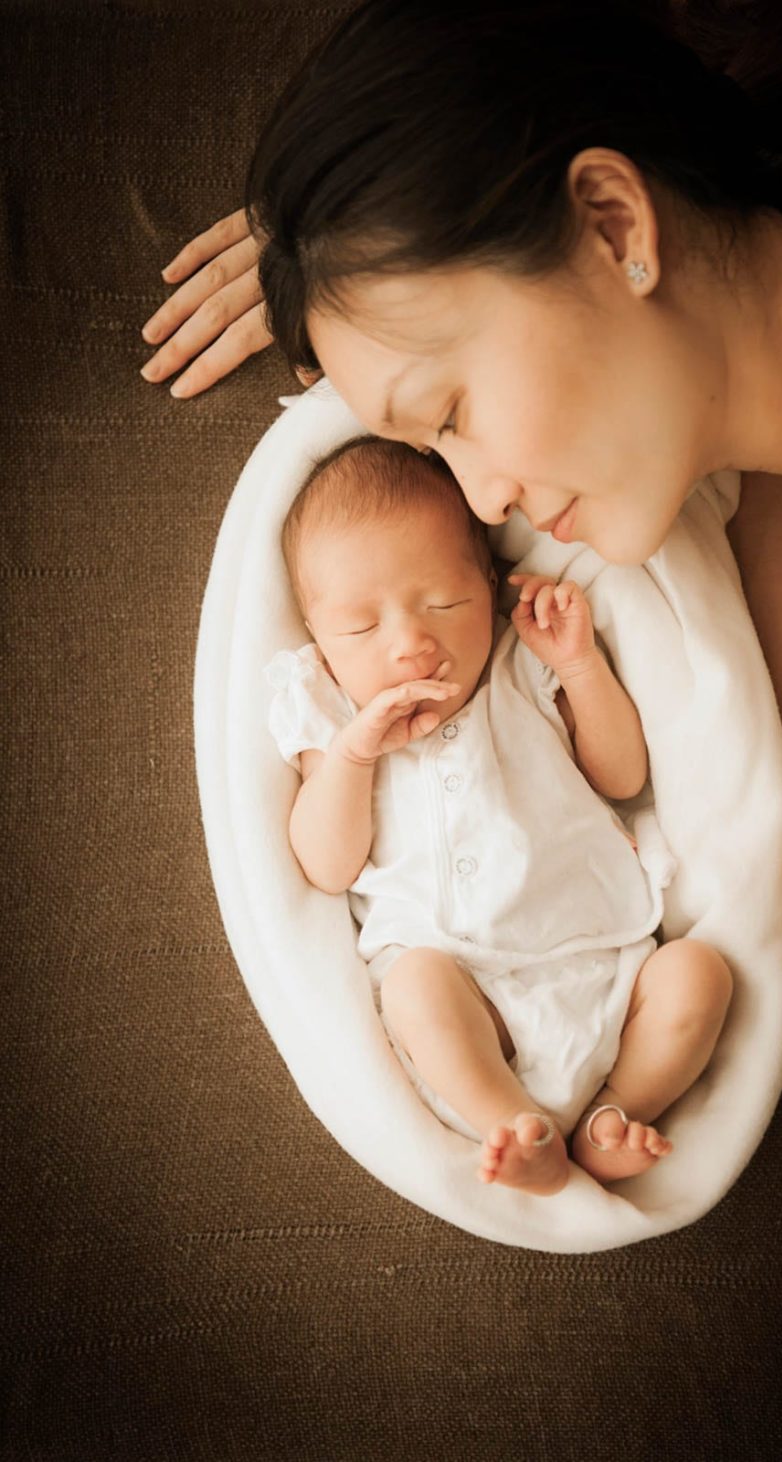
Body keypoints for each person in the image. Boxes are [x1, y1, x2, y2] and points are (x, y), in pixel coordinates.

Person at [141, 0, 782, 1110]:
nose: (480, 495)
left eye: (449, 408)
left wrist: (769, 589)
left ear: (616, 223)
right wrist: (363, 239)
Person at [265, 434, 733, 1195]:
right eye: (361, 627)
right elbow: (325, 864)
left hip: (602, 960)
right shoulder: (328, 711)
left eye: (442, 602)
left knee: (699, 975)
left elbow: (622, 776)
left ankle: (614, 1113)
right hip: (466, 988)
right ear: (317, 637)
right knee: (414, 986)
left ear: (489, 585)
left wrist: (579, 666)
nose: (410, 643)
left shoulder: (523, 661)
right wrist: (355, 754)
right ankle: (512, 1124)